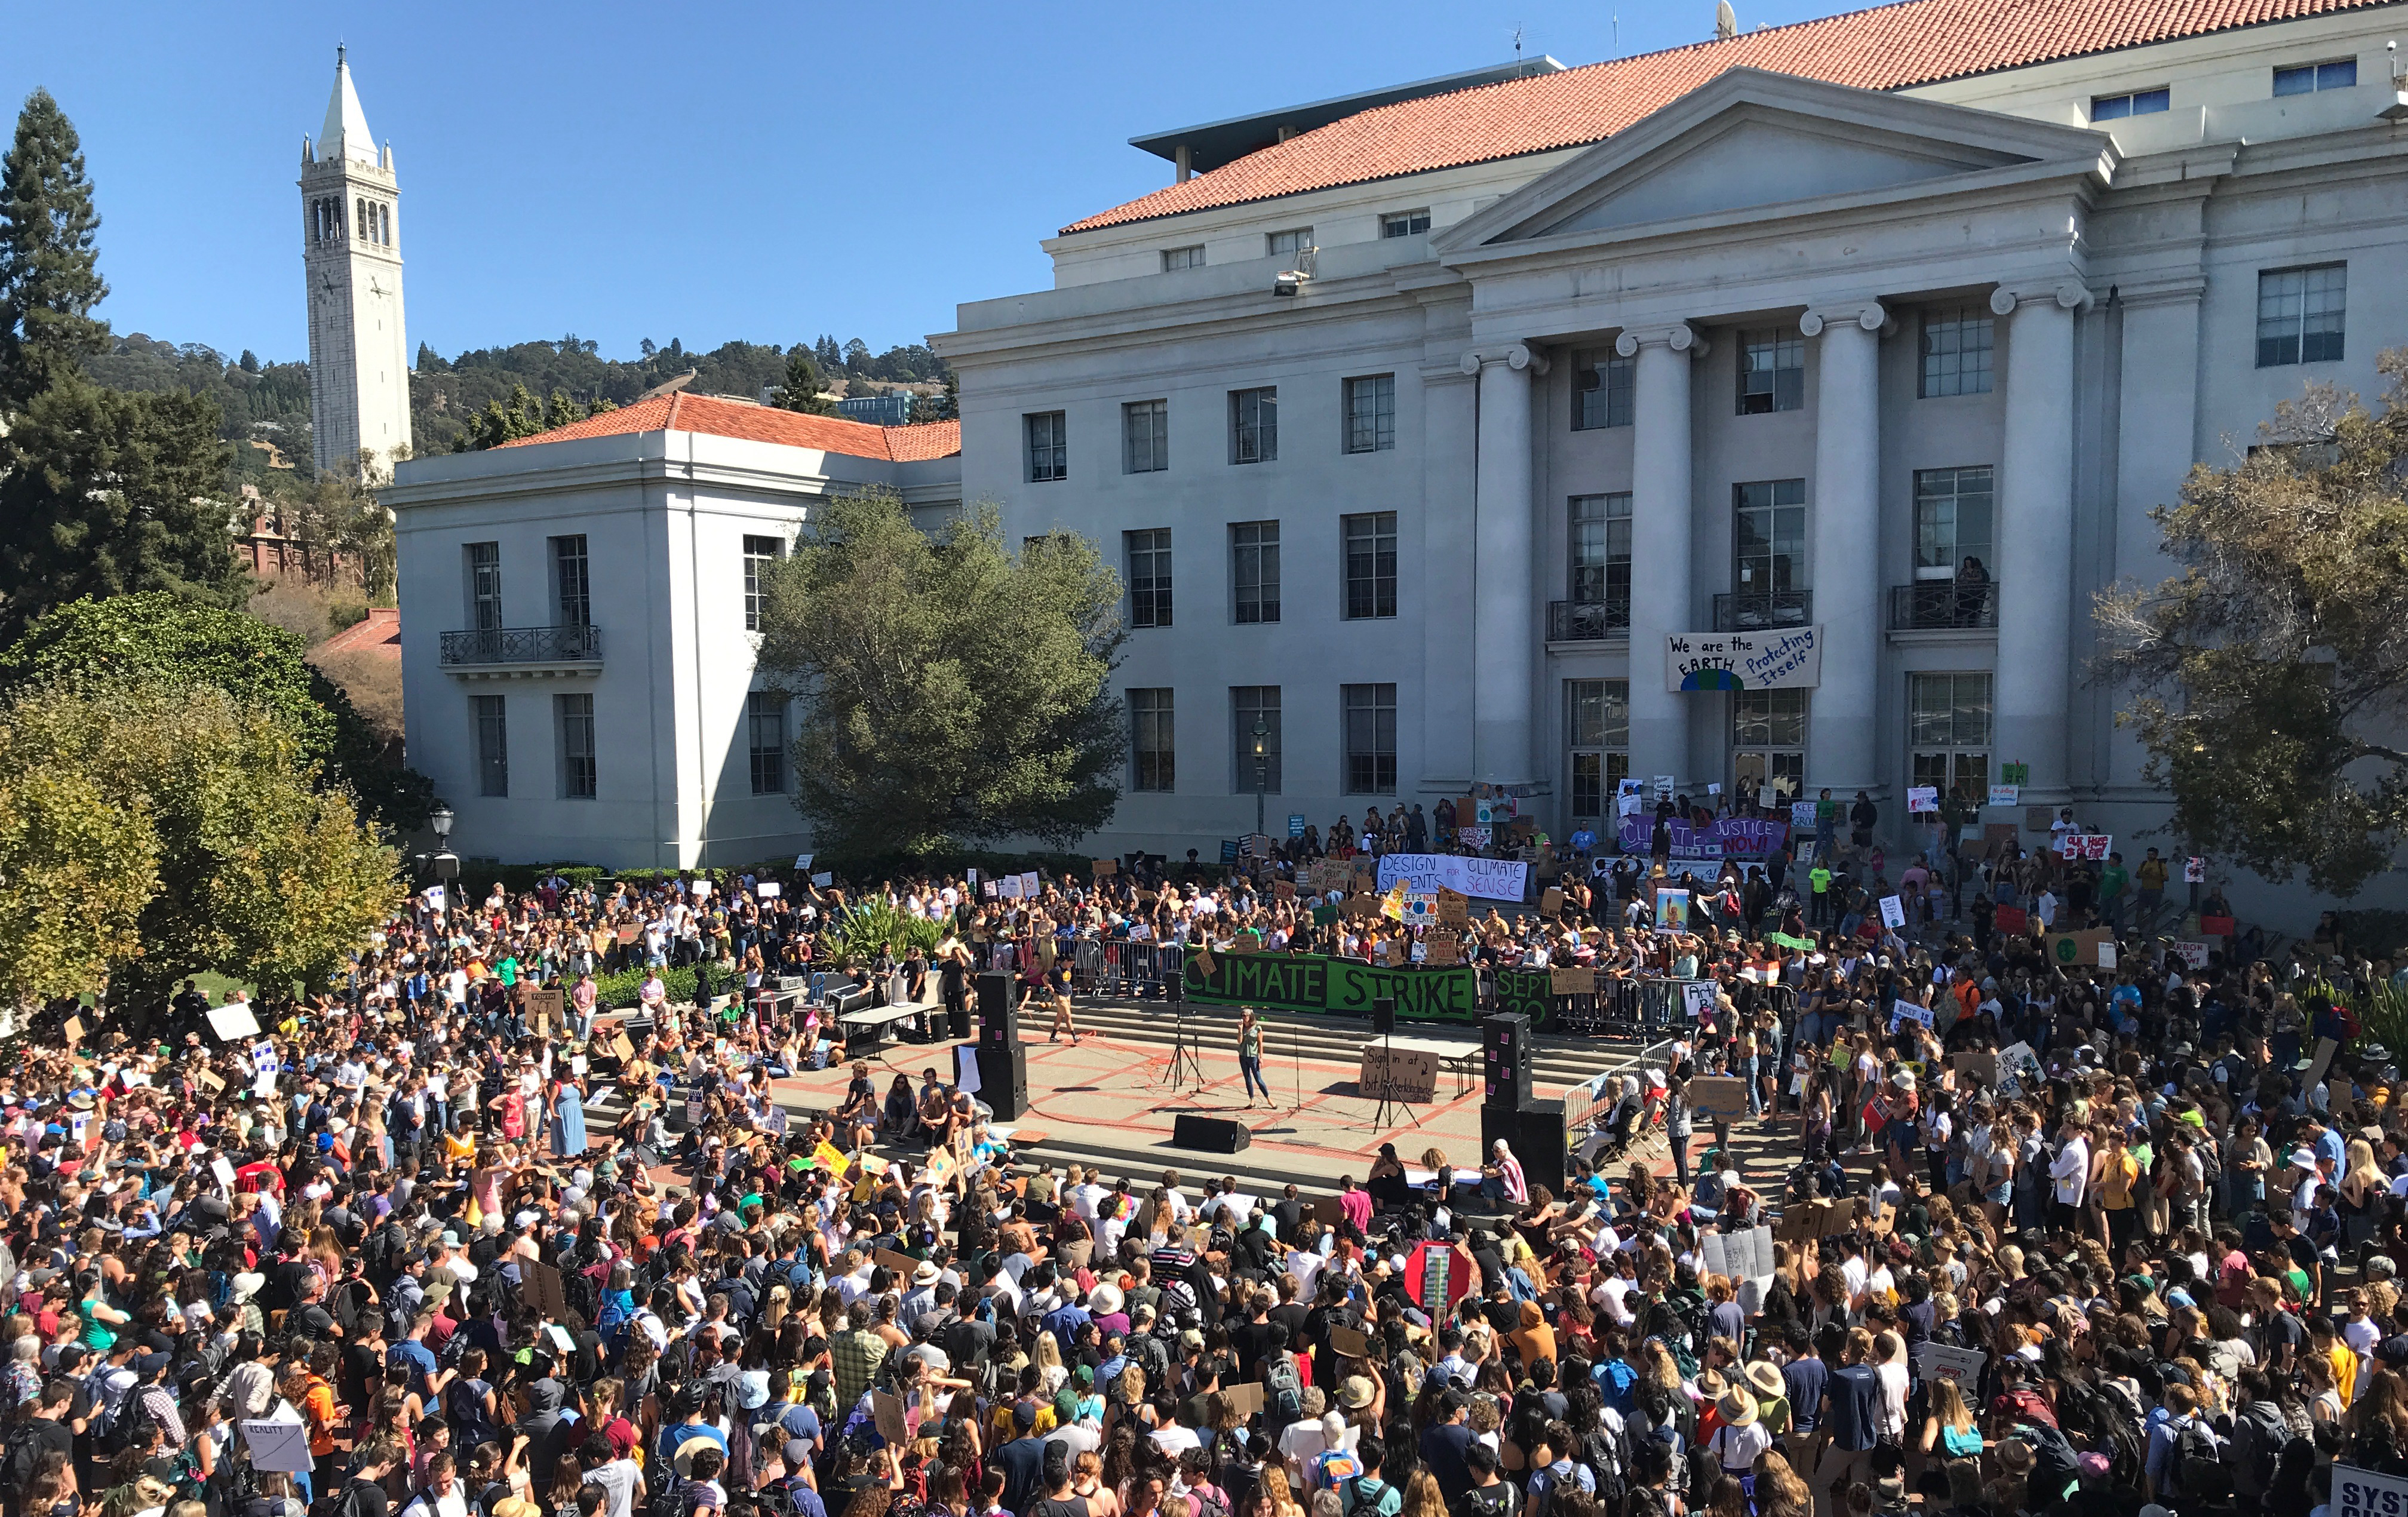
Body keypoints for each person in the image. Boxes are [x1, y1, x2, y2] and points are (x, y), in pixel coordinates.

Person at [1239, 1008, 1272, 1108]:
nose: (1243, 1018)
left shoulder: (1257, 1028)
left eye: (1245, 1016)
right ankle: (1252, 1100)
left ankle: (1269, 1099)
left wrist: (1261, 1057)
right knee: (1247, 1078)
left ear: (1250, 1017)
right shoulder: (1242, 1027)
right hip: (1243, 1055)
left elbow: (1260, 1044)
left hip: (1253, 1057)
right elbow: (1239, 1041)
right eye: (1242, 1016)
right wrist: (1240, 1030)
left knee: (1258, 1079)